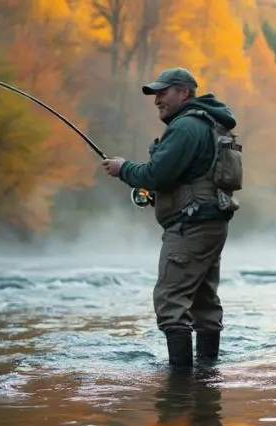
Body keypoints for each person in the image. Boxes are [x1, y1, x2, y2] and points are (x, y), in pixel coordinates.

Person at [101, 67, 241, 369]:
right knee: (203, 302)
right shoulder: (208, 124)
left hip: (190, 228)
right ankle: (206, 378)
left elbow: (155, 174)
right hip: (210, 224)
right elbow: (181, 178)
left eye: (162, 92)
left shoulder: (187, 127)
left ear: (184, 92)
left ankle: (179, 386)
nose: (157, 100)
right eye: (155, 94)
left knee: (170, 301)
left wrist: (122, 168)